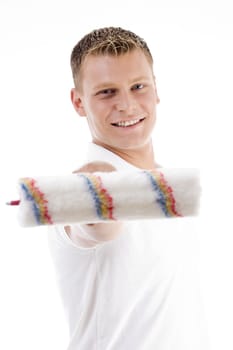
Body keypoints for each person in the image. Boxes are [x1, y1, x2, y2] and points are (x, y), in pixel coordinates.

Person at [48, 27, 209, 349]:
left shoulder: (169, 186)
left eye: (138, 87)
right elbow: (92, 229)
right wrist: (95, 207)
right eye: (107, 92)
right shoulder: (80, 191)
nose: (127, 105)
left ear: (156, 90)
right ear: (78, 102)